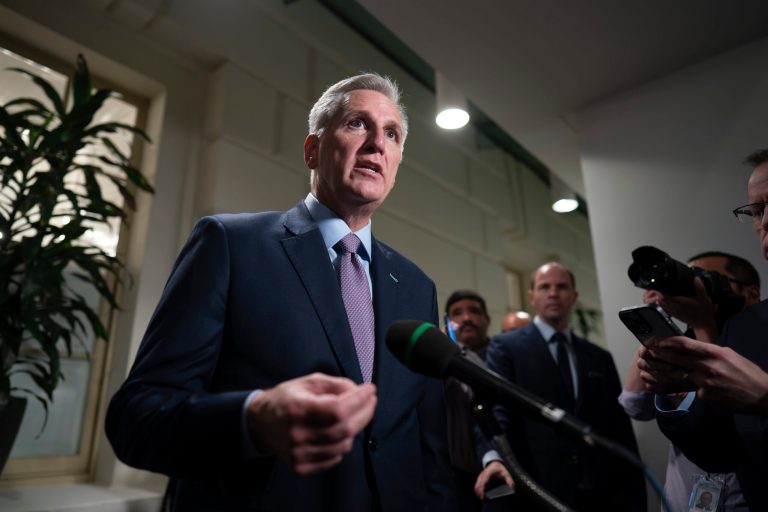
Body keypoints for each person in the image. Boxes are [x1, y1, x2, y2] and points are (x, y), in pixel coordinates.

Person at [105, 74, 455, 511]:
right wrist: (251, 421)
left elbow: (430, 447)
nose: (376, 144)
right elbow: (137, 419)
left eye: (391, 133)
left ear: (398, 162)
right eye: (357, 124)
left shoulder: (418, 286)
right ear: (312, 150)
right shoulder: (230, 245)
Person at [639, 149, 768, 511]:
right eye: (757, 210)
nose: (766, 220)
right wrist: (673, 390)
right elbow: (719, 450)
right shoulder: (746, 328)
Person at [476, 262, 646, 511]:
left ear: (574, 296)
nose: (553, 293)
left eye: (561, 286)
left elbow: (618, 429)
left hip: (596, 494)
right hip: (537, 489)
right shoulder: (506, 348)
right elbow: (499, 411)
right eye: (545, 287)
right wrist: (494, 458)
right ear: (532, 296)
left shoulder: (598, 357)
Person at [620, 251, 759, 511]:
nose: (693, 288)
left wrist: (703, 322)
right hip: (683, 499)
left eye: (704, 279)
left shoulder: (758, 345)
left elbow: (723, 430)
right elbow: (634, 405)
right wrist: (654, 318)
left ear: (751, 294)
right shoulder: (682, 342)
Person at [442, 290, 492, 511]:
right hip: (457, 476)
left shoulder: (504, 357)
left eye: (474, 311)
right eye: (457, 313)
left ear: (487, 320)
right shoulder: (441, 361)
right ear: (447, 322)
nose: (466, 318)